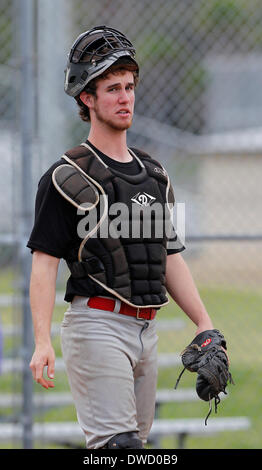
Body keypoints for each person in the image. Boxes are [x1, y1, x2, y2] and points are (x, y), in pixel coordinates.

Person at [27, 25, 214, 449]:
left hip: (147, 330)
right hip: (96, 324)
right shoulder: (64, 177)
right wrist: (41, 341)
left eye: (129, 86)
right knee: (119, 447)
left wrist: (204, 324)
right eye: (112, 88)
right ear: (86, 99)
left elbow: (169, 256)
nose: (125, 97)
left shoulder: (155, 174)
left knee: (136, 450)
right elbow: (44, 262)